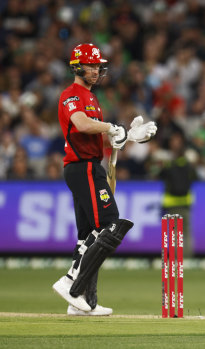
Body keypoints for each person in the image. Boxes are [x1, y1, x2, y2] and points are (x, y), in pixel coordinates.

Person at [52, 43, 135, 316]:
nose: (97, 70)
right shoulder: (71, 95)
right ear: (78, 66)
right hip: (82, 167)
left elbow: (97, 132)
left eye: (99, 66)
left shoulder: (91, 97)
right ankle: (71, 283)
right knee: (110, 222)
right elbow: (83, 125)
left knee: (88, 234)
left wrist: (126, 135)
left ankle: (84, 302)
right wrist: (113, 127)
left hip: (91, 165)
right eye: (92, 65)